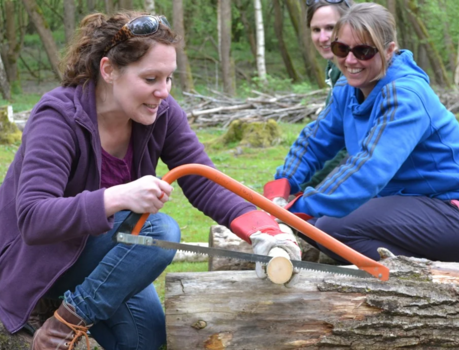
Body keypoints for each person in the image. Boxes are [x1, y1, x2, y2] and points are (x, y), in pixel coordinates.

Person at [0, 11, 300, 350]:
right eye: (150, 79)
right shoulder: (57, 116)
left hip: (109, 259)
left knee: (146, 339)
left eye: (169, 78)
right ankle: (60, 326)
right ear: (109, 70)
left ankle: (71, 311)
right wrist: (117, 196)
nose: (163, 91)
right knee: (158, 231)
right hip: (41, 260)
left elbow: (204, 181)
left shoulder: (162, 113)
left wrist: (264, 231)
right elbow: (33, 219)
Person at [264, 3, 459, 264]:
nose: (350, 60)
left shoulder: (405, 95)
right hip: (406, 204)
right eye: (341, 49)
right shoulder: (347, 87)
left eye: (364, 51)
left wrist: (296, 209)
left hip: (454, 215)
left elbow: (370, 167)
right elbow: (315, 140)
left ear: (389, 51)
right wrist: (283, 184)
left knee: (329, 228)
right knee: (317, 225)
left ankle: (428, 276)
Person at [300, 0, 353, 191]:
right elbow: (327, 133)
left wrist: (307, 186)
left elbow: (351, 147)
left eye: (330, 28)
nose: (323, 38)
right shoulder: (334, 66)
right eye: (316, 30)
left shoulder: (356, 73)